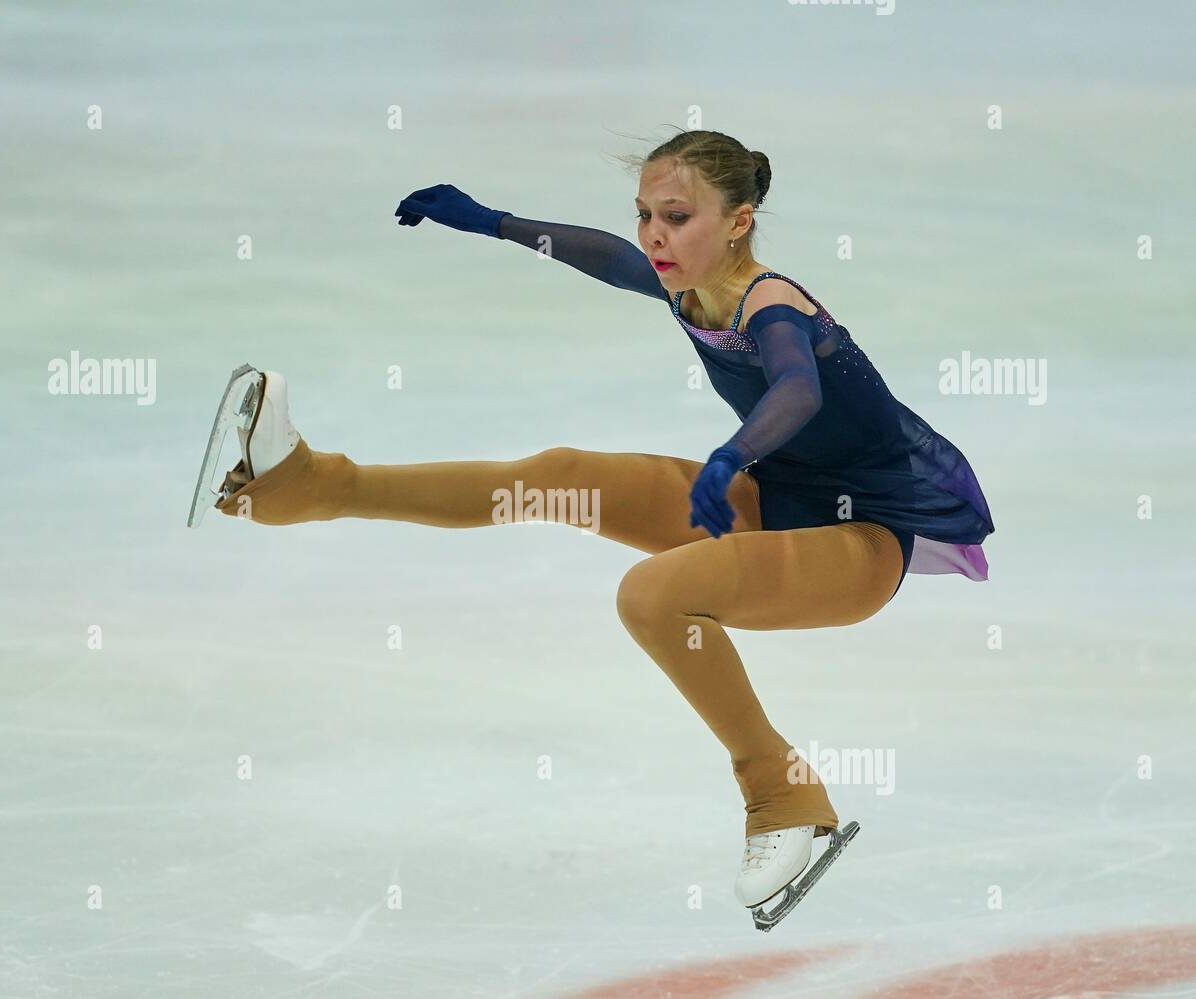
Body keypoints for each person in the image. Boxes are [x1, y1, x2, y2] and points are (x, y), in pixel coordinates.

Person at [189, 129, 994, 928]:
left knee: (654, 597)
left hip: (866, 541)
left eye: (676, 217)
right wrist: (493, 220)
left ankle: (784, 796)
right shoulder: (688, 286)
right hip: (777, 499)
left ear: (740, 221)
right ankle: (307, 483)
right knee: (560, 475)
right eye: (646, 213)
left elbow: (798, 390)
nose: (654, 234)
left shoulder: (771, 303)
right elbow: (611, 258)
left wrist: (729, 456)